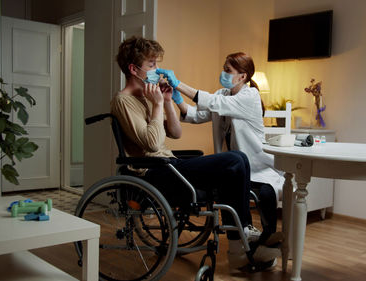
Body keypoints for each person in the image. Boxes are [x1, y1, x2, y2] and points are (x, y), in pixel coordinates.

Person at [110, 36, 280, 271]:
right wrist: (160, 104)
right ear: (133, 69)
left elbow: (176, 132)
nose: (156, 70)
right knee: (234, 159)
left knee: (236, 162)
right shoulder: (123, 100)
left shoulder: (147, 98)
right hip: (154, 171)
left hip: (169, 165)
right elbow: (153, 143)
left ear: (242, 76)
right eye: (151, 65)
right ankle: (243, 239)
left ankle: (239, 247)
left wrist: (168, 100)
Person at [157, 52, 285, 247]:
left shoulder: (250, 96)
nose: (223, 73)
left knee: (267, 193)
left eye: (228, 70)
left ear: (242, 76)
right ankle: (240, 241)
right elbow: (196, 115)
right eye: (223, 68)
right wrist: (175, 99)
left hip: (258, 167)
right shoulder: (221, 94)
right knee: (227, 177)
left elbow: (217, 104)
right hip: (236, 166)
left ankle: (267, 244)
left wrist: (179, 84)